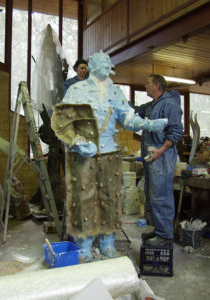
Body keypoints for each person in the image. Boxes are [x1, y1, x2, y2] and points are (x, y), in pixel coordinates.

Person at [51, 52, 168, 262]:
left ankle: (107, 245)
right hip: (83, 155)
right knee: (84, 201)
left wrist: (148, 124)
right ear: (92, 66)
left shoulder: (115, 92)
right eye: (101, 62)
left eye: (108, 63)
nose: (106, 66)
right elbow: (60, 121)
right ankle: (84, 247)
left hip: (110, 154)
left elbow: (129, 118)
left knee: (110, 201)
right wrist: (76, 141)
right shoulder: (77, 90)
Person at [133, 74, 183, 246]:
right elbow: (135, 110)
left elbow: (176, 133)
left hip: (161, 157)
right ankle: (158, 230)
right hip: (151, 157)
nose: (145, 85)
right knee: (151, 195)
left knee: (161, 195)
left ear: (156, 86)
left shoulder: (169, 104)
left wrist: (160, 151)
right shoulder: (152, 104)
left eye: (147, 83)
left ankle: (165, 235)